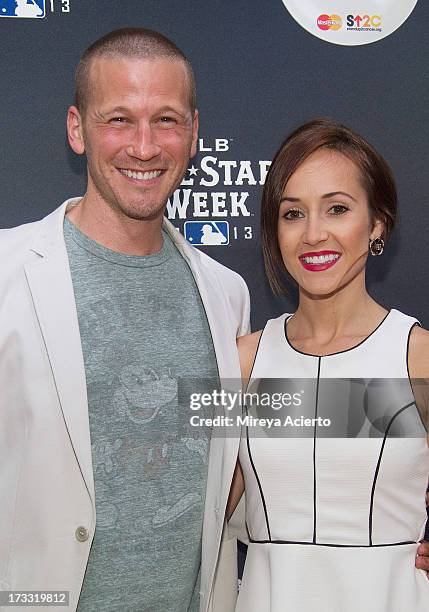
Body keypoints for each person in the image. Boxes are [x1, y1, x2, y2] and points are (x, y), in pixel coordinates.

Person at [0, 28, 249, 612]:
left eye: (166, 120)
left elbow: (241, 468)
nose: (144, 147)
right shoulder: (5, 273)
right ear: (76, 128)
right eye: (118, 120)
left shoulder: (227, 295)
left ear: (193, 132)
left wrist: (391, 518)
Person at [227, 118, 429, 611]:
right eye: (292, 214)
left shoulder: (418, 356)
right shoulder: (243, 362)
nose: (314, 234)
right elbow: (198, 518)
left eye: (337, 208)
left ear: (377, 223)